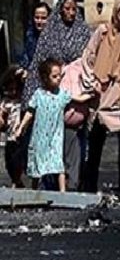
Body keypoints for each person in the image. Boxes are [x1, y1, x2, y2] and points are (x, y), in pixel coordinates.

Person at [80, 0, 120, 195]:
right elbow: (88, 56)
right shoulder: (103, 32)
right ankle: (89, 186)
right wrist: (93, 82)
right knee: (95, 143)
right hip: (102, 94)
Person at [15, 58, 95, 191]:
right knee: (37, 163)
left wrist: (91, 94)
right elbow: (30, 112)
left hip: (55, 136)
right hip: (40, 136)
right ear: (45, 78)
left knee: (58, 164)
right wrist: (21, 128)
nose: (58, 79)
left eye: (59, 76)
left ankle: (62, 192)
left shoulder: (62, 94)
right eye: (54, 76)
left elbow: (78, 98)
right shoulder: (38, 95)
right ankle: (34, 191)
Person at [25, 0, 91, 104]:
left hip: (78, 85)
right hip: (53, 87)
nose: (71, 13)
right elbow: (39, 61)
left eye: (74, 9)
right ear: (60, 9)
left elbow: (90, 57)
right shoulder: (49, 32)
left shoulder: (83, 31)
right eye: (67, 8)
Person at [1, 66, 27, 187]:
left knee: (18, 160)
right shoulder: (5, 102)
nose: (13, 92)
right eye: (9, 89)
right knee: (9, 162)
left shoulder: (22, 101)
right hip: (10, 136)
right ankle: (16, 181)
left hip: (21, 135)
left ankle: (16, 182)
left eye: (15, 89)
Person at [17, 1, 50, 79]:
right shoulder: (30, 35)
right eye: (37, 18)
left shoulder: (55, 37)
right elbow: (26, 56)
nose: (39, 21)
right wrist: (23, 68)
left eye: (43, 18)